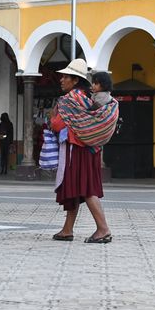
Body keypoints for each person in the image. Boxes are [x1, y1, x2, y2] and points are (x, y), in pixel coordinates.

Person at [51, 58, 114, 244]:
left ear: (75, 80)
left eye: (65, 77)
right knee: (78, 189)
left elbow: (56, 124)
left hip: (77, 151)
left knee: (86, 189)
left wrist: (54, 113)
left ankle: (103, 229)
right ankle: (67, 229)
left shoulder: (70, 100)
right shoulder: (88, 98)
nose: (61, 80)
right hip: (90, 150)